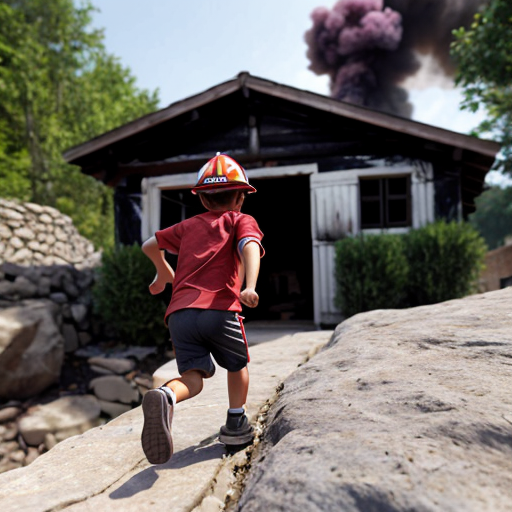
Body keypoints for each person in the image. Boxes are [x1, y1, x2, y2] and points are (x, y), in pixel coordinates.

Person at [140, 153, 264, 465]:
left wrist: (162, 272)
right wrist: (250, 285)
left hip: (179, 315)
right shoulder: (240, 220)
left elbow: (148, 245)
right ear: (240, 198)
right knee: (237, 365)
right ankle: (236, 422)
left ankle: (167, 396)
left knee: (192, 378)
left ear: (204, 200)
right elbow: (249, 246)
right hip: (218, 311)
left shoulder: (187, 227)